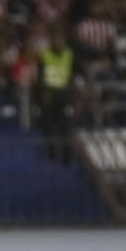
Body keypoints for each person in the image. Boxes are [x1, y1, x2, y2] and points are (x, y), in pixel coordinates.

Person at [37, 31, 75, 165]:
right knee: (47, 125)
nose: (57, 41)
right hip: (49, 96)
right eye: (55, 38)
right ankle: (51, 152)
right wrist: (44, 92)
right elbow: (40, 76)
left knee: (65, 126)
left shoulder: (69, 55)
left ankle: (66, 156)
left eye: (59, 38)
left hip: (64, 96)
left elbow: (73, 73)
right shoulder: (45, 55)